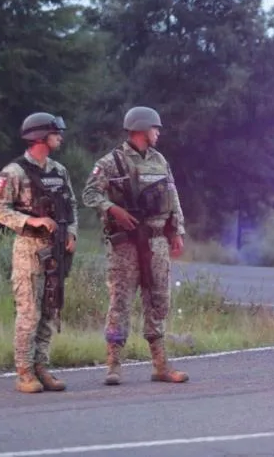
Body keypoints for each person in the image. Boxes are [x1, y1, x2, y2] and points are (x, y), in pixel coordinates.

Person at [81, 106, 188, 386]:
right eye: (155, 128)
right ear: (141, 129)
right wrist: (112, 209)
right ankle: (113, 365)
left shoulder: (159, 160)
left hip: (157, 241)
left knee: (159, 301)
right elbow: (90, 193)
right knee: (120, 303)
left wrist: (177, 231)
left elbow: (172, 196)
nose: (158, 133)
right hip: (126, 244)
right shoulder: (111, 162)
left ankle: (160, 365)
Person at [0, 112, 78, 393]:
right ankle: (24, 372)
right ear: (39, 136)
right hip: (29, 249)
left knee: (50, 309)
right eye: (55, 132)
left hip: (56, 249)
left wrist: (72, 232)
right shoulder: (13, 172)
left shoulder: (59, 171)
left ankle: (42, 367)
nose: (60, 136)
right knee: (29, 313)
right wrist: (31, 221)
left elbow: (71, 205)